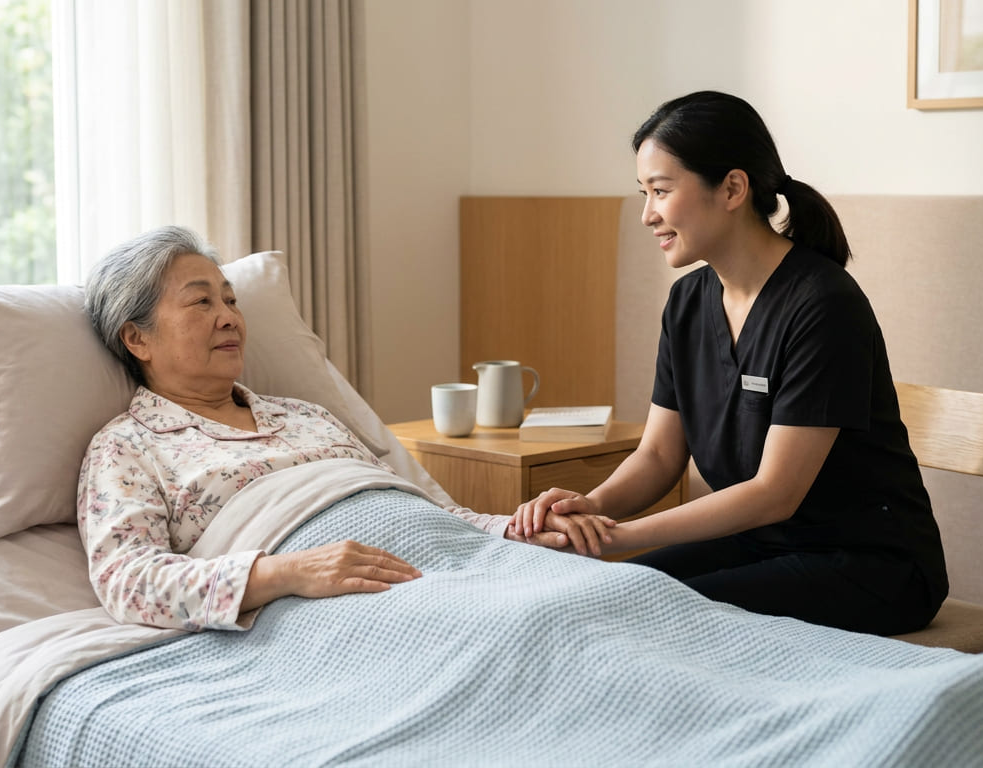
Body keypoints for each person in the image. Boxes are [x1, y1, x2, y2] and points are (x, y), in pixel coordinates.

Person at [512, 91, 948, 636]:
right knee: (606, 597)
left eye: (661, 191)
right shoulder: (689, 301)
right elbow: (659, 454)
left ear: (733, 189)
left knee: (643, 616)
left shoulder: (823, 305)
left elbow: (774, 492)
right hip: (758, 545)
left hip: (870, 565)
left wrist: (617, 538)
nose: (648, 214)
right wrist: (592, 507)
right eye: (644, 193)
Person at [78, 226, 614, 631]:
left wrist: (514, 528)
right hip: (351, 607)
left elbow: (424, 514)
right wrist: (287, 572)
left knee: (607, 598)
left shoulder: (306, 415)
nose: (229, 317)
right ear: (137, 339)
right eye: (202, 301)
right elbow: (128, 581)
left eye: (232, 299)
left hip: (456, 565)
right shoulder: (127, 448)